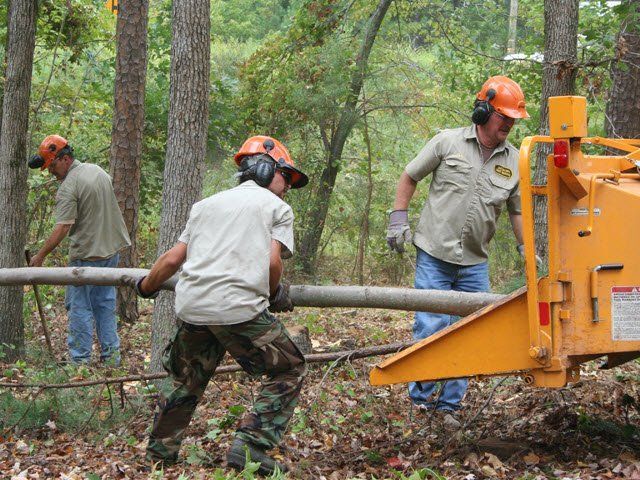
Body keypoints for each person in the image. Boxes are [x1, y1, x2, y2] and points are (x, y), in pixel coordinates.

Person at [134, 135, 308, 475]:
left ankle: (159, 453)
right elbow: (273, 262)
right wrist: (273, 294)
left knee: (185, 380)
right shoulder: (276, 208)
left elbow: (172, 259)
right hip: (239, 310)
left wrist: (145, 286)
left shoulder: (205, 205)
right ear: (262, 168)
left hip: (194, 307)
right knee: (289, 367)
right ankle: (252, 447)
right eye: (284, 176)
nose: (287, 186)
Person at [386, 76, 529, 425]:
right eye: (503, 118)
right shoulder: (446, 142)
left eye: (513, 120)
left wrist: (527, 248)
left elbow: (517, 210)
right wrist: (397, 219)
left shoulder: (514, 162)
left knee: (469, 333)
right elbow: (409, 176)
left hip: (474, 262)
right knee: (431, 326)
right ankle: (420, 401)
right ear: (483, 112)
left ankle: (448, 407)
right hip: (434, 253)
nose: (508, 125)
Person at [28, 135, 131, 365]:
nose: (50, 172)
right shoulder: (97, 171)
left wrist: (41, 255)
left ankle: (80, 361)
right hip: (110, 252)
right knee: (104, 304)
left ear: (65, 159)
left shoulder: (69, 186)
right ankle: (111, 359)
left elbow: (63, 226)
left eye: (52, 166)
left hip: (85, 257)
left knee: (79, 307)